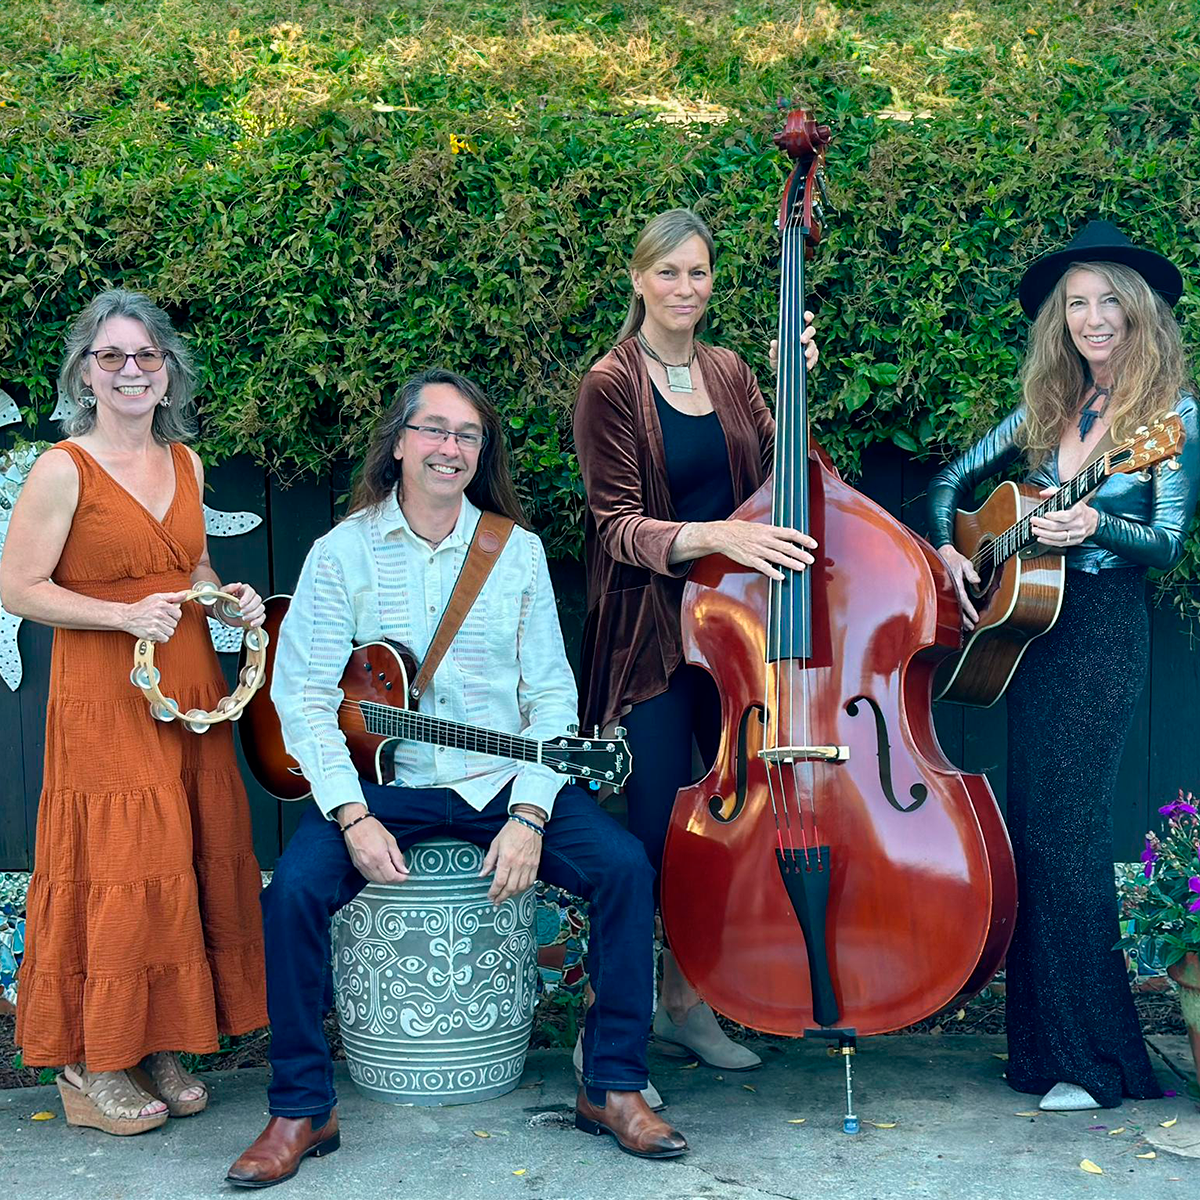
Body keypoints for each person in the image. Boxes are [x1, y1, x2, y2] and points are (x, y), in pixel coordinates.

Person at [226, 368, 686, 1189]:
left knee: (623, 869)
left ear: (480, 454)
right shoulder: (342, 553)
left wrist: (533, 815)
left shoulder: (515, 553)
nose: (449, 448)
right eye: (433, 430)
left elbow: (549, 693)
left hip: (499, 778)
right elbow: (301, 697)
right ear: (399, 443)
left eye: (466, 435)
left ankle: (612, 1086)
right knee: (292, 892)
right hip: (377, 789)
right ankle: (302, 1106)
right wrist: (351, 815)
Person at [926, 220, 1199, 1110]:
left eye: (1108, 299)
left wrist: (1096, 526)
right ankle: (1044, 1054)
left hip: (1104, 630)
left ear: (1143, 310)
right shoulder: (1051, 408)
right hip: (1028, 635)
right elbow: (946, 491)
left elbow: (1163, 542)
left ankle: (1097, 1065)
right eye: (1076, 304)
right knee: (1034, 830)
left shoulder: (1172, 418)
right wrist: (954, 554)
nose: (1093, 318)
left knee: (1068, 834)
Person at [0, 290, 268, 1134]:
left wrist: (222, 602)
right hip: (103, 693)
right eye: (111, 356)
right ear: (84, 371)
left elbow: (187, 565)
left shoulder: (184, 463)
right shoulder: (61, 468)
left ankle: (156, 1045)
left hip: (182, 687)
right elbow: (15, 587)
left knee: (176, 858)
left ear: (168, 371)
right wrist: (121, 616)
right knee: (121, 865)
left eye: (146, 356)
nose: (130, 370)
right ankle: (90, 1062)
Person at [571, 209, 818, 1092]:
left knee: (724, 833)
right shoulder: (609, 384)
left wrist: (793, 390)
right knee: (649, 840)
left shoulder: (730, 370)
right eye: (668, 273)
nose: (685, 289)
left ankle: (686, 1002)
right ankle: (609, 1026)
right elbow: (616, 529)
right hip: (653, 642)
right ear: (638, 279)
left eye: (699, 274)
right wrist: (719, 538)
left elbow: (784, 486)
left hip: (739, 641)